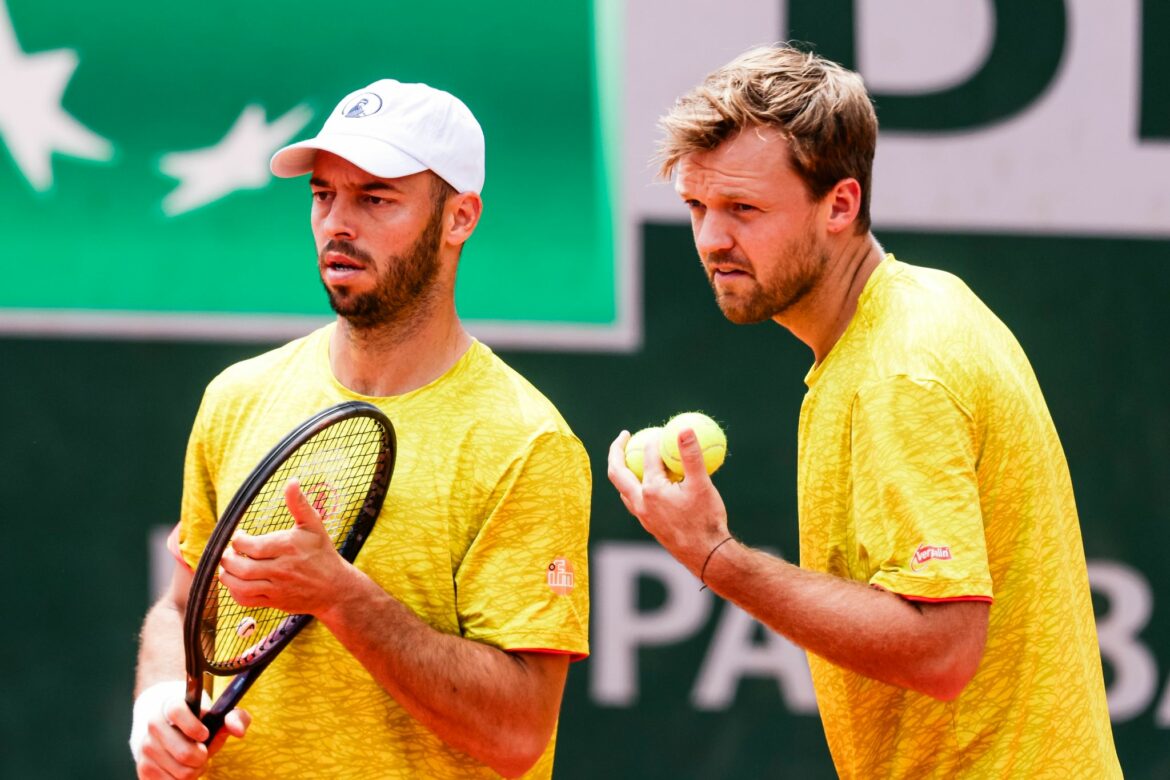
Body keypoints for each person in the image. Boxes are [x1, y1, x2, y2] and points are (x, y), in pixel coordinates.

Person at [607, 45, 1121, 778]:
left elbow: (941, 651)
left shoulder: (898, 373)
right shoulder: (920, 307)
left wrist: (714, 556)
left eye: (744, 210)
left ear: (839, 206)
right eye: (698, 206)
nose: (712, 240)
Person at [131, 79, 591, 779]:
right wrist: (162, 697)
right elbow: (180, 610)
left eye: (375, 198)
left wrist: (340, 597)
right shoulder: (238, 397)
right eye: (324, 196)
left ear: (459, 218)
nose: (338, 223)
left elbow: (517, 731)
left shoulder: (526, 443)